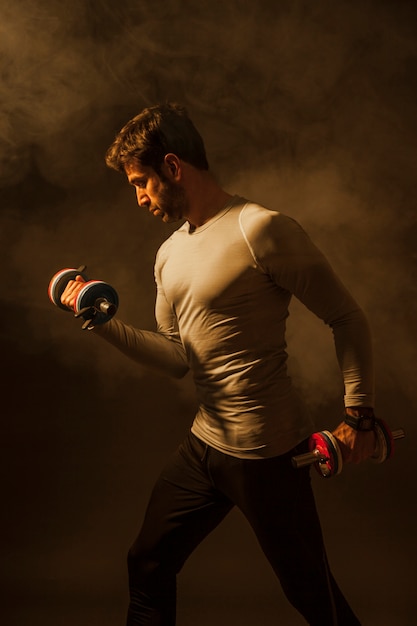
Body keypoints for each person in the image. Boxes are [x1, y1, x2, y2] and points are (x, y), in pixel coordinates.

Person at [60, 102, 377, 625]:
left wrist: (358, 416)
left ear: (173, 167)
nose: (139, 198)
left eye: (142, 182)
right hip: (206, 448)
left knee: (312, 596)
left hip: (270, 455)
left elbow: (347, 317)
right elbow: (177, 358)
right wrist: (100, 322)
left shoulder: (262, 229)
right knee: (147, 562)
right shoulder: (168, 254)